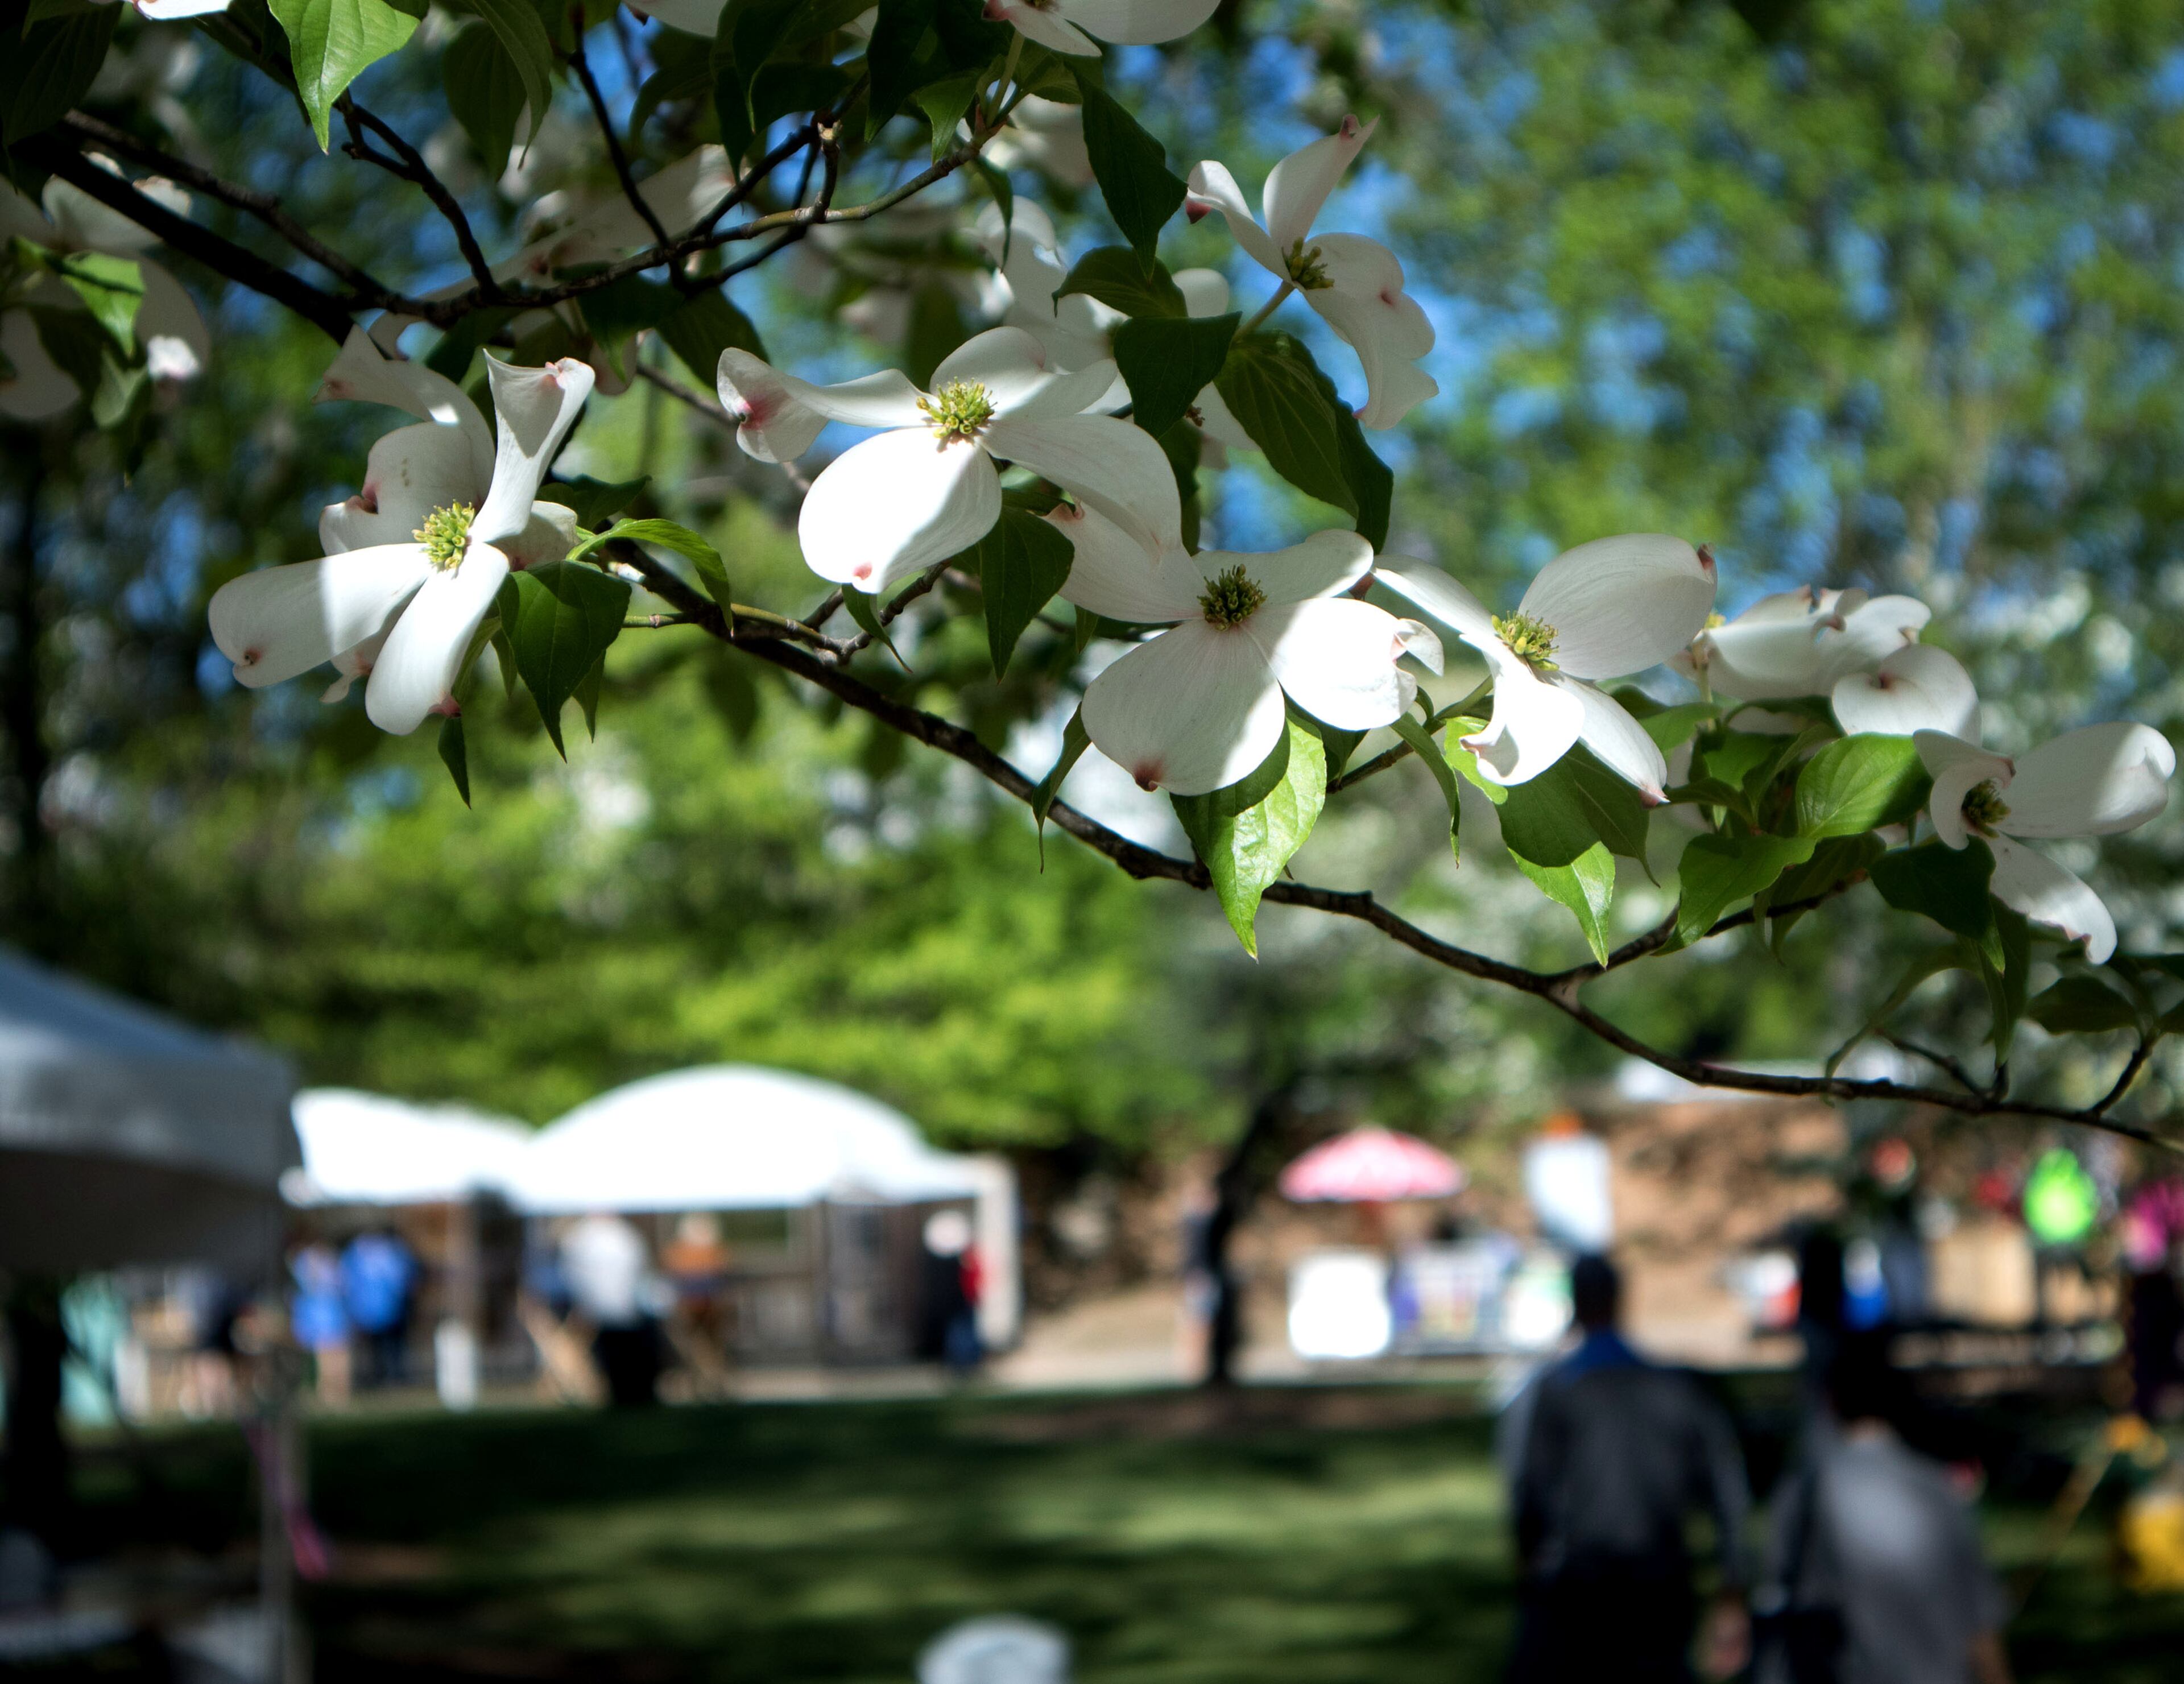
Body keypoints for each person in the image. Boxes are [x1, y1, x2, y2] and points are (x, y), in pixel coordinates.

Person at [1505, 1254, 1751, 1683]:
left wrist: (1530, 1567)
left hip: (1585, 1579)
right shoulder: (1675, 1387)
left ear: (1577, 1302)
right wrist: (1732, 1583)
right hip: (1662, 1573)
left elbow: (1530, 1490)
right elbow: (1727, 1485)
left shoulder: (1558, 1391)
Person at [1756, 1340, 2013, 1684]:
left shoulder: (1809, 1490)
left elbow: (1782, 1605)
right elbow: (1980, 1627)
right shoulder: (1937, 1490)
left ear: (1830, 1401)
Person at [561, 1212, 662, 1406]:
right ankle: (628, 1393)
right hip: (609, 1314)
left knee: (627, 1353)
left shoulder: (619, 1236)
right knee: (619, 1356)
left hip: (622, 1312)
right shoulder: (586, 1237)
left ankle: (635, 1392)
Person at [341, 1228, 416, 1388]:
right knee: (388, 1346)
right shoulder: (392, 1251)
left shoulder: (359, 1252)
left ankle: (388, 1375)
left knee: (383, 1346)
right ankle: (391, 1376)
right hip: (386, 1308)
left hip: (377, 1309)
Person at [289, 1243, 351, 1405]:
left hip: (328, 1316)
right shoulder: (319, 1265)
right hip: (325, 1316)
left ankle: (334, 1395)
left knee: (332, 1357)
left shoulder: (311, 1265)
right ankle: (332, 1395)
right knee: (330, 1357)